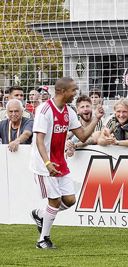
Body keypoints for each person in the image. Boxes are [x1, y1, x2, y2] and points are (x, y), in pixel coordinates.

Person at [30, 77, 104, 249]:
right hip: (44, 165)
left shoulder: (69, 112)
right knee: (54, 201)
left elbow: (83, 136)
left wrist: (96, 118)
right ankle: (43, 240)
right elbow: (39, 141)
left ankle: (41, 215)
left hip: (60, 162)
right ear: (62, 91)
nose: (75, 93)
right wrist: (47, 163)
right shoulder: (44, 110)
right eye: (73, 90)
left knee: (70, 200)